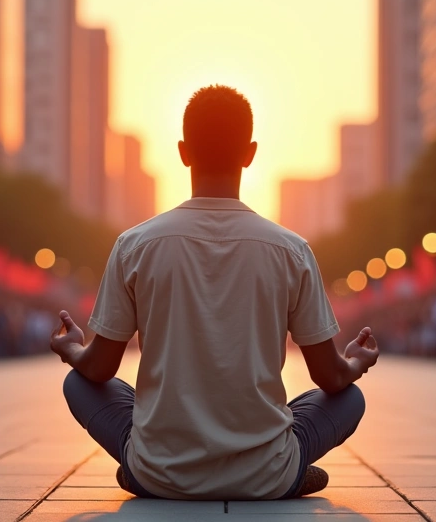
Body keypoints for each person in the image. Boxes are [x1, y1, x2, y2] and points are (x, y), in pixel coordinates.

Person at [51, 85, 375, 500]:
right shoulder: (291, 250)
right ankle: (283, 471)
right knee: (351, 399)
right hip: (265, 474)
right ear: (250, 153)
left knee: (76, 384)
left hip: (160, 471)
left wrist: (73, 350)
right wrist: (355, 362)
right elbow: (330, 378)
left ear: (184, 152)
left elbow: (98, 371)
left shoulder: (135, 245)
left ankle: (143, 470)